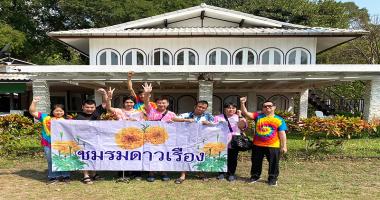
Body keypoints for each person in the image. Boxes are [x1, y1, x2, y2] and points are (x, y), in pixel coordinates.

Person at [240, 97, 287, 186]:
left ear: (274, 107)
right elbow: (245, 113)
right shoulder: (258, 116)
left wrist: (284, 146)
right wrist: (242, 103)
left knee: (273, 163)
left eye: (270, 106)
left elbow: (282, 134)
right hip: (257, 145)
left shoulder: (279, 120)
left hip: (273, 145)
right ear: (262, 108)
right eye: (265, 106)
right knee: (256, 162)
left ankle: (272, 178)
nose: (267, 108)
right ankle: (255, 176)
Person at [105, 87, 145, 180]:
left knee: (135, 154)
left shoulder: (140, 112)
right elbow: (108, 108)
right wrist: (109, 98)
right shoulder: (119, 111)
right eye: (127, 102)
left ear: (134, 103)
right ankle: (123, 173)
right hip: (121, 137)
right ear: (124, 103)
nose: (129, 104)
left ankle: (136, 173)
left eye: (131, 102)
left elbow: (143, 124)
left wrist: (135, 120)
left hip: (135, 137)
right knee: (122, 154)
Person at [29, 96, 70, 184]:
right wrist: (34, 101)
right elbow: (32, 111)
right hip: (48, 143)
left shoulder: (68, 119)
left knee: (64, 158)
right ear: (52, 111)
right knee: (50, 160)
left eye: (61, 111)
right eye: (56, 111)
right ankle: (53, 176)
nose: (59, 112)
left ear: (64, 112)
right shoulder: (45, 118)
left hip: (63, 143)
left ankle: (65, 176)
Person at [142, 82, 177, 182]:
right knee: (151, 154)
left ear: (168, 104)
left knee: (164, 155)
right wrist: (147, 93)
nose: (161, 104)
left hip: (165, 139)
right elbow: (146, 102)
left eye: (164, 102)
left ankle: (164, 172)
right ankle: (151, 173)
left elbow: (176, 126)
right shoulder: (151, 111)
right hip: (150, 138)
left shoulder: (171, 114)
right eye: (159, 103)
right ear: (156, 103)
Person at [174, 100, 214, 184]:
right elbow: (174, 118)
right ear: (195, 106)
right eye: (199, 107)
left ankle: (201, 173)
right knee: (185, 156)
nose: (201, 109)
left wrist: (209, 123)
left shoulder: (208, 116)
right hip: (187, 140)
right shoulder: (187, 115)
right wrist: (185, 120)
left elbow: (217, 124)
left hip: (202, 140)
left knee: (201, 157)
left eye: (203, 108)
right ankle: (183, 175)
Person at [74, 88, 108, 184]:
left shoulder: (97, 112)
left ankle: (94, 173)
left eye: (92, 107)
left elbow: (105, 103)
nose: (89, 109)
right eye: (87, 107)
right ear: (83, 107)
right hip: (83, 141)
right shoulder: (78, 117)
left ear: (94, 107)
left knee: (95, 157)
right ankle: (85, 175)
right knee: (85, 157)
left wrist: (104, 94)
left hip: (96, 140)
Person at [213, 102, 247, 182]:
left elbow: (243, 127)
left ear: (236, 109)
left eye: (233, 108)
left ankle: (231, 174)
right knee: (220, 157)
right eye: (228, 108)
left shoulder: (238, 117)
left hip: (234, 141)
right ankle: (221, 173)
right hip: (221, 139)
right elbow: (213, 128)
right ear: (224, 109)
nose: (231, 109)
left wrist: (240, 115)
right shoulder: (218, 117)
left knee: (233, 158)